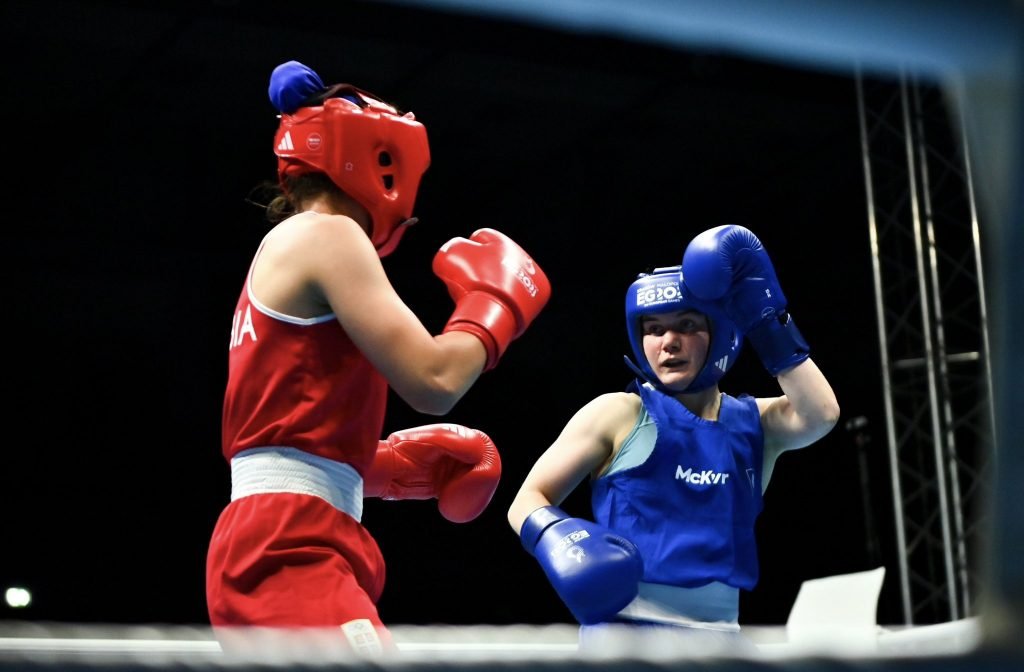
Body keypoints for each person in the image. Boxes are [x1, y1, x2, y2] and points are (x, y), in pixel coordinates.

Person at [206, 60, 551, 655]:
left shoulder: (292, 245)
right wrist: (495, 308)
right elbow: (435, 379)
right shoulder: (328, 234)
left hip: (287, 535)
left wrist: (381, 467)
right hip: (292, 544)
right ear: (378, 162)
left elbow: (279, 425)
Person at [507, 224, 839, 653]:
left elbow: (822, 414)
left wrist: (764, 318)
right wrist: (563, 540)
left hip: (723, 641)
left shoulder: (754, 422)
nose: (668, 343)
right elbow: (527, 499)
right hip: (624, 639)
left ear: (720, 331)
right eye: (653, 328)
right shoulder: (619, 412)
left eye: (686, 325)